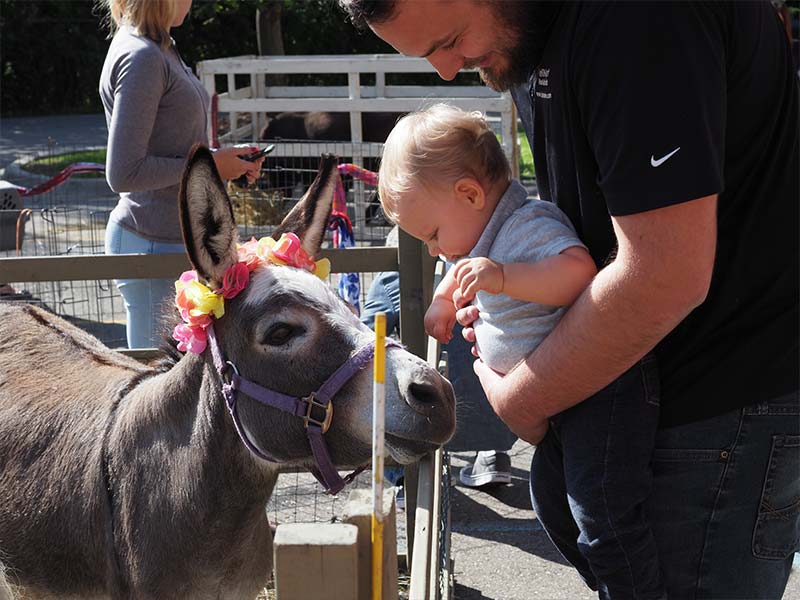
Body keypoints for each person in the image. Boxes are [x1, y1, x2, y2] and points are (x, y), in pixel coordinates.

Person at [338, 1, 800, 599]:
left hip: (715, 401)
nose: (449, 71)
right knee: (573, 511)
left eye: (449, 40)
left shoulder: (636, 20)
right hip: (654, 386)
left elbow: (666, 273)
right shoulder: (533, 30)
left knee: (611, 534)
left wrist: (522, 399)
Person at [98, 0, 262, 348]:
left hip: (170, 240)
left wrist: (221, 163)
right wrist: (212, 167)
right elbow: (124, 172)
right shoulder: (142, 56)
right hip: (151, 243)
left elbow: (175, 146)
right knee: (155, 379)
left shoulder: (159, 46)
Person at [361, 226, 518, 489]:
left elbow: (369, 331)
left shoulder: (392, 279)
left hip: (421, 398)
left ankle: (402, 477)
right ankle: (492, 453)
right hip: (484, 387)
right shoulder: (477, 266)